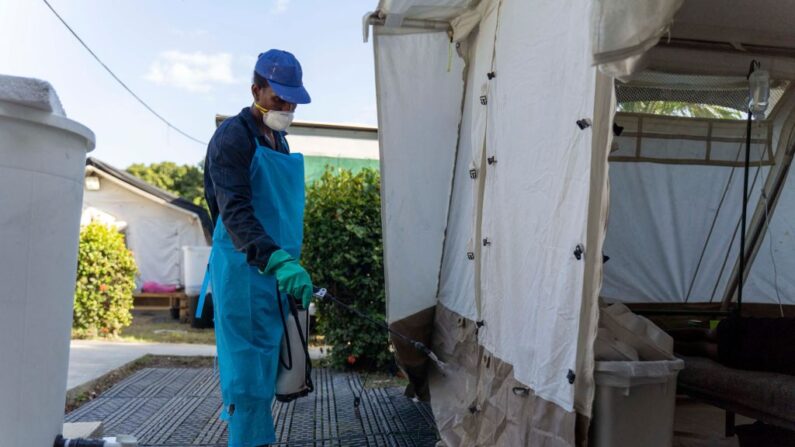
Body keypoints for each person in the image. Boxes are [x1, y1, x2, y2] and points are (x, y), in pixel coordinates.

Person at [203, 49, 314, 447]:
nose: (286, 106)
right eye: (278, 97)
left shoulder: (279, 140)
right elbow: (234, 213)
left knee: (270, 360)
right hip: (245, 271)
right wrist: (277, 259)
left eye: (291, 100)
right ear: (256, 89)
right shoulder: (233, 137)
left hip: (276, 271)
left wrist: (287, 263)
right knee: (246, 370)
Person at [672, 315, 795, 376]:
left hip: (757, 343)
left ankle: (661, 338)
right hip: (757, 345)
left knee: (708, 339)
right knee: (707, 344)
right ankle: (661, 341)